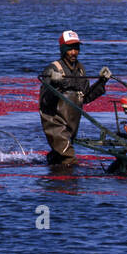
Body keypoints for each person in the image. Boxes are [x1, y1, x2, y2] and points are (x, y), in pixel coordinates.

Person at [39, 30, 109, 164]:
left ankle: (53, 171)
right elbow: (45, 101)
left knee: (59, 159)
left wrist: (102, 81)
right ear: (63, 49)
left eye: (76, 48)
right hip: (55, 124)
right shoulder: (53, 69)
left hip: (71, 126)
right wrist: (54, 84)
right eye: (70, 48)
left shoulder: (80, 70)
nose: (73, 52)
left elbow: (85, 97)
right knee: (69, 160)